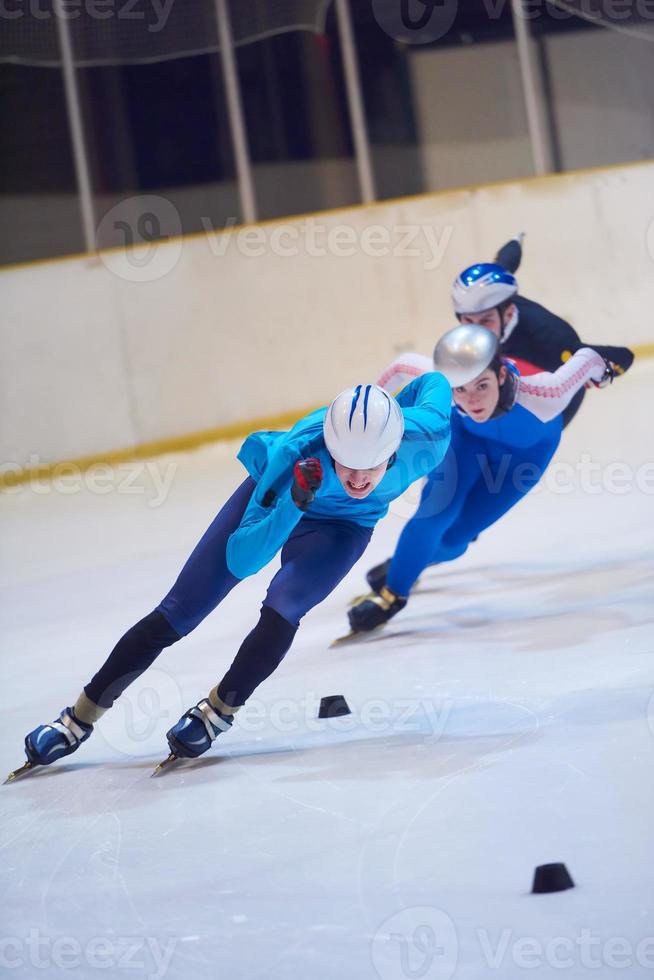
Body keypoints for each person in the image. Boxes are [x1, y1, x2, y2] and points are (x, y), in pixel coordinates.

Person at [11, 377, 451, 778]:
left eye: (371, 465)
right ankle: (77, 718)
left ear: (395, 448)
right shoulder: (298, 454)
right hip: (285, 497)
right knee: (178, 613)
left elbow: (433, 383)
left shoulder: (426, 436)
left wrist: (390, 396)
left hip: (343, 527)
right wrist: (294, 502)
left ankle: (217, 711)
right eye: (345, 462)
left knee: (286, 605)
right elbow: (242, 559)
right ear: (329, 447)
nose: (357, 478)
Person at [348, 324, 615, 634]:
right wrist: (365, 420)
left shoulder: (546, 391)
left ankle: (410, 560)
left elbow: (588, 357)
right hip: (466, 438)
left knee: (453, 541)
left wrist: (604, 370)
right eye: (459, 389)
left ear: (501, 375)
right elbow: (399, 366)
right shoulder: (439, 383)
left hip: (521, 459)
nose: (471, 400)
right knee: (436, 513)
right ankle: (392, 595)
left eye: (482, 386)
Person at [450, 235, 634, 426]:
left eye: (486, 320)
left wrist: (601, 374)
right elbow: (505, 263)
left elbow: (624, 357)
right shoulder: (493, 298)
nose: (476, 331)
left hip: (555, 406)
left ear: (508, 313)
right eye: (468, 320)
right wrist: (515, 242)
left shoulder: (551, 340)